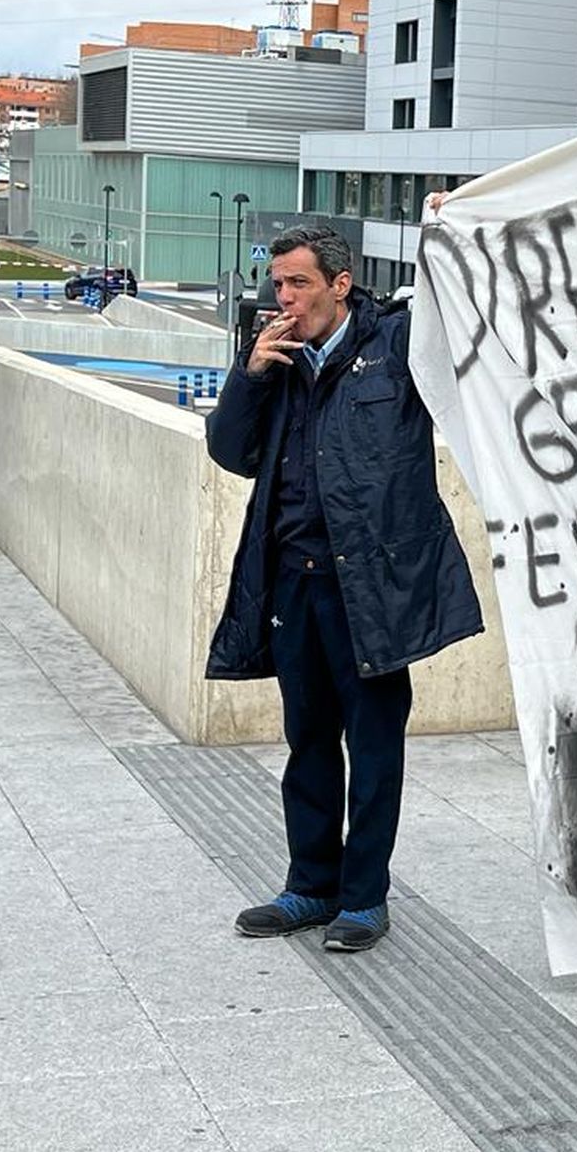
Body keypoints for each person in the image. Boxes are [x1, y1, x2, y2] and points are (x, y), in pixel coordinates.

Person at [205, 224, 484, 952]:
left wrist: (453, 226)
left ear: (340, 283)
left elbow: (475, 310)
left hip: (373, 588)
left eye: (299, 283)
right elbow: (231, 451)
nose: (285, 298)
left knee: (374, 747)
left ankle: (364, 898)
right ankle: (310, 885)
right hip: (292, 584)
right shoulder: (274, 359)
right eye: (278, 284)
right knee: (307, 741)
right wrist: (249, 375)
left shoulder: (397, 344)